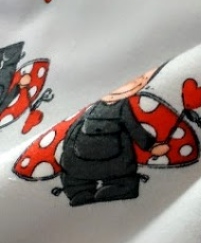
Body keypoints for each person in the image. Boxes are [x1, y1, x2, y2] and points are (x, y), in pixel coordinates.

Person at [58, 67, 169, 206]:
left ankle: (110, 189)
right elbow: (74, 127)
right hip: (89, 158)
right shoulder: (94, 107)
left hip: (106, 157)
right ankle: (80, 191)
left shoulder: (119, 107)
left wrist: (150, 146)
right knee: (77, 175)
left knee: (115, 174)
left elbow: (133, 127)